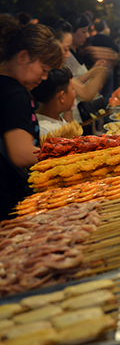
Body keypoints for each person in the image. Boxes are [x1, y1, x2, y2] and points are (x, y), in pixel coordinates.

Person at [0, 15, 63, 220]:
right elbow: (21, 154)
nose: (44, 78)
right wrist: (67, 154)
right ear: (23, 57)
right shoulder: (15, 94)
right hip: (7, 198)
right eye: (43, 70)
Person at [31, 66, 76, 138]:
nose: (75, 94)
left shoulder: (56, 118)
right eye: (73, 89)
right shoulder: (45, 131)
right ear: (62, 96)